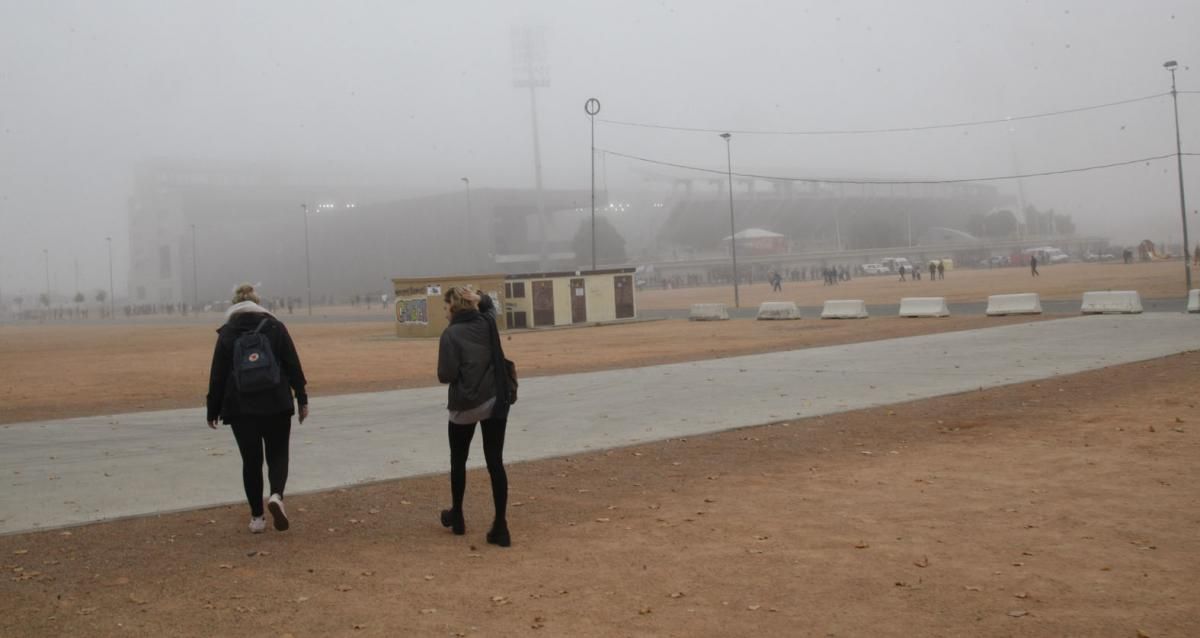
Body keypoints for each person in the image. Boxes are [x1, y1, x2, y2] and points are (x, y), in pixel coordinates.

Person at [206, 283, 308, 534]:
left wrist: (213, 408)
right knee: (278, 454)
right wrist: (301, 397)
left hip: (240, 406)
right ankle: (276, 495)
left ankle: (257, 518)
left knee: (251, 461)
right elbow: (292, 363)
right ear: (258, 303)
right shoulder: (275, 326)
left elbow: (217, 374)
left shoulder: (228, 332)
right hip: (276, 401)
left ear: (234, 304)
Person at [438, 286, 513, 547]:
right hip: (495, 401)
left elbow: (445, 375)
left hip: (464, 405)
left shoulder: (450, 335)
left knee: (458, 461)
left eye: (446, 308)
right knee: (495, 462)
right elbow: (491, 307)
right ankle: (500, 526)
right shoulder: (487, 322)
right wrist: (480, 298)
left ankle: (457, 515)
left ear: (454, 308)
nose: (445, 313)